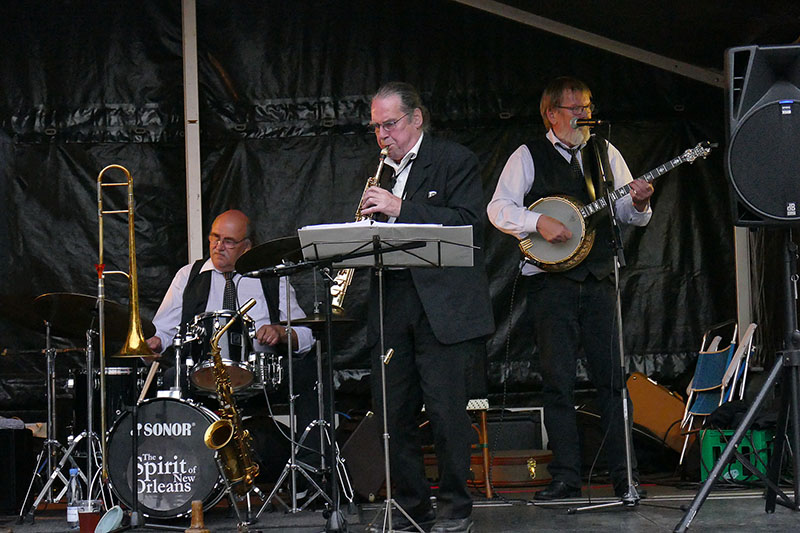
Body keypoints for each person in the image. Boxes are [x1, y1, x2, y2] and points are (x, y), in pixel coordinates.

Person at [486, 76, 654, 501]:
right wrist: (537, 221)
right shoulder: (527, 155)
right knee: (557, 381)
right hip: (550, 286)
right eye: (575, 108)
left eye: (588, 105)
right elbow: (498, 208)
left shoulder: (604, 151)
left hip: (599, 280)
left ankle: (624, 476)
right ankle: (565, 477)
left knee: (613, 382)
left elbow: (628, 216)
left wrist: (638, 202)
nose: (585, 114)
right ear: (551, 113)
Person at [360, 82, 495, 533]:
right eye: (376, 127)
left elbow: (471, 224)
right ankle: (410, 506)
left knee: (447, 414)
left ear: (416, 119)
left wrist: (400, 208)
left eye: (390, 124)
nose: (383, 135)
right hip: (392, 305)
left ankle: (455, 508)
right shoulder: (379, 173)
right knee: (392, 412)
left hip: (444, 309)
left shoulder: (454, 160)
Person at [145, 209, 317, 491]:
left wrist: (281, 332)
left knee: (311, 374)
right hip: (202, 375)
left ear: (247, 246)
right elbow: (163, 330)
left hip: (263, 374)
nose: (218, 246)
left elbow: (306, 335)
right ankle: (183, 480)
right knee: (169, 379)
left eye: (228, 241)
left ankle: (310, 475)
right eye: (214, 238)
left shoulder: (271, 278)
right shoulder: (188, 276)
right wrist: (153, 343)